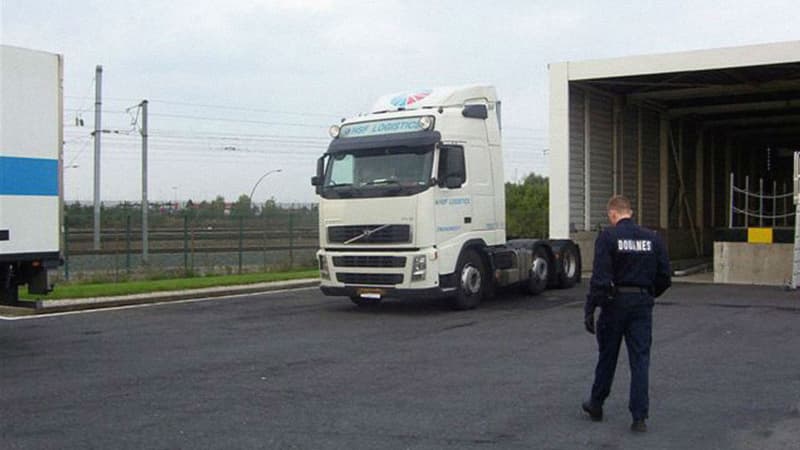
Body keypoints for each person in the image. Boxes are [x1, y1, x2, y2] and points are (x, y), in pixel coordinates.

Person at [582, 195, 671, 432]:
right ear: (629, 212)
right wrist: (648, 295)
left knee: (608, 356)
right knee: (640, 359)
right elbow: (665, 276)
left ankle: (597, 403)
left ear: (613, 214)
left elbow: (600, 279)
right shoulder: (653, 238)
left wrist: (591, 308)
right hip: (642, 303)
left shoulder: (608, 237)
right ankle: (639, 417)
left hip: (615, 303)